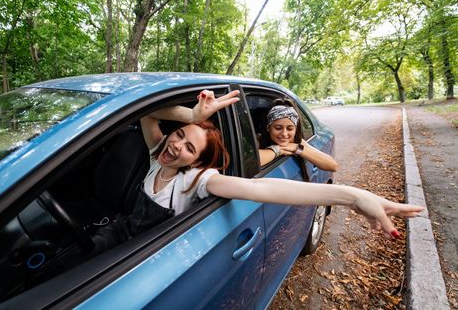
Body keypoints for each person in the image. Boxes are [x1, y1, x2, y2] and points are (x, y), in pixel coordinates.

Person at [91, 89, 422, 254]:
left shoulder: (195, 181)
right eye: (178, 135)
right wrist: (192, 117)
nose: (177, 146)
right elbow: (148, 113)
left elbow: (265, 190)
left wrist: (352, 196)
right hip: (117, 237)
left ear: (196, 162)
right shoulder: (156, 155)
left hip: (134, 256)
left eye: (190, 148)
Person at [258, 98, 338, 174]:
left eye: (290, 129)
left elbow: (333, 166)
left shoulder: (296, 141)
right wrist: (278, 149)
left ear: (295, 129)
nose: (284, 134)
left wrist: (297, 148)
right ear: (268, 128)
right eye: (278, 128)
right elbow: (249, 162)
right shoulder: (257, 140)